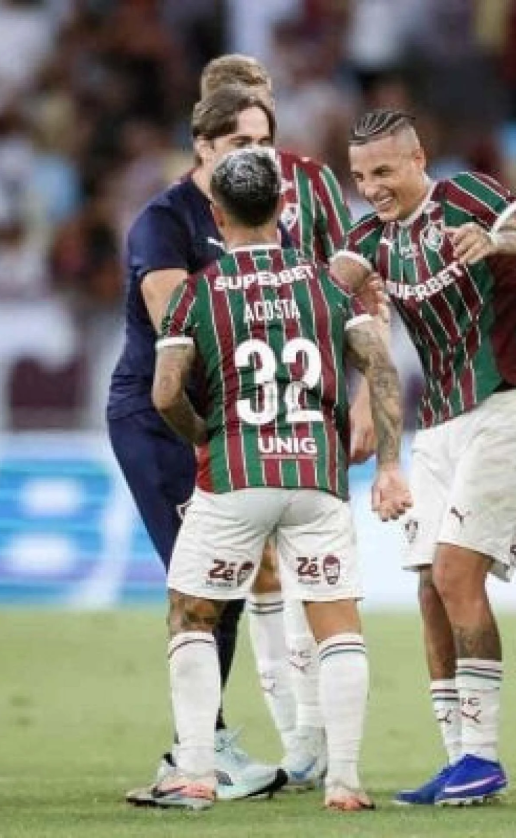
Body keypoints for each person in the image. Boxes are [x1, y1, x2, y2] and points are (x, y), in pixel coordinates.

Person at [132, 147, 411, 812]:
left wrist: (203, 435)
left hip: (235, 474)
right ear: (284, 208)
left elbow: (165, 391)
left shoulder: (198, 291)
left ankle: (195, 771)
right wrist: (389, 462)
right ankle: (345, 781)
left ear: (217, 215)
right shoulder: (328, 284)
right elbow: (380, 367)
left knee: (192, 616)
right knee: (337, 623)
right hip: (317, 476)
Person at [330, 109, 516, 806]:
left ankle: (484, 756)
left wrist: (499, 240)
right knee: (428, 586)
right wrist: (386, 455)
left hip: (509, 403)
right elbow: (336, 289)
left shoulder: (469, 196)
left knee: (454, 572)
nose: (372, 188)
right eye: (360, 177)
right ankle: (457, 761)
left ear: (418, 159)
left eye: (384, 171)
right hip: (438, 426)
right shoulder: (370, 240)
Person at [109, 86, 283, 801]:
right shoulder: (165, 219)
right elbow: (174, 320)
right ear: (204, 146)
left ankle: (204, 744)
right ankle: (191, 757)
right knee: (205, 581)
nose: (257, 154)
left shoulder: (263, 216)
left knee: (228, 583)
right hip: (161, 419)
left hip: (223, 419)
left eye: (265, 143)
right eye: (242, 143)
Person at [199, 52, 358, 792]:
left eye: (262, 106)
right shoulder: (192, 196)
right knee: (259, 569)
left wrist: (360, 399)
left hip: (304, 394)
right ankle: (297, 738)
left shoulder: (314, 182)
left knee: (308, 565)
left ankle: (315, 737)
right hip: (232, 400)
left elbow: (354, 280)